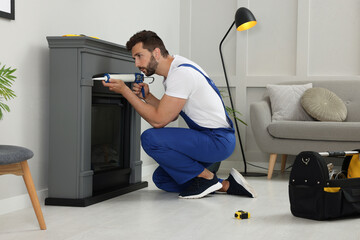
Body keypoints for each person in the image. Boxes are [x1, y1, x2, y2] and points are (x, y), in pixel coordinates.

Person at [103, 30, 257, 199]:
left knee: (150, 138)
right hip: (210, 139)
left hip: (217, 141)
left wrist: (125, 91)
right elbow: (172, 114)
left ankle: (206, 178)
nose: (136, 64)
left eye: (139, 56)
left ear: (156, 52)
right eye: (134, 59)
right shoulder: (174, 70)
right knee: (162, 179)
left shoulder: (180, 74)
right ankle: (226, 185)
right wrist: (147, 97)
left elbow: (158, 121)